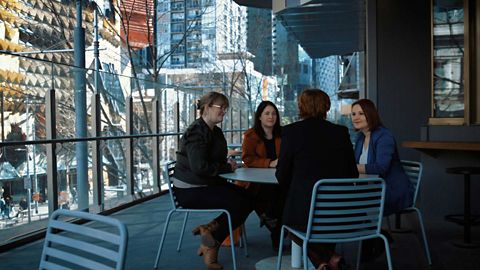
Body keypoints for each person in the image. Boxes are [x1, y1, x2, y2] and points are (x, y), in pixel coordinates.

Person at [276, 89, 359, 270]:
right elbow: (352, 174)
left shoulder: (291, 131)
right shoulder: (340, 132)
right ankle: (328, 259)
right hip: (339, 211)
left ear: (301, 107)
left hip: (306, 212)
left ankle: (327, 259)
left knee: (287, 221)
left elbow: (281, 175)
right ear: (327, 107)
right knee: (320, 223)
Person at [172, 91, 254, 270]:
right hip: (190, 190)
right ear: (207, 107)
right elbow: (200, 167)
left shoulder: (215, 131)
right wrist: (227, 167)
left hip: (206, 184)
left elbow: (213, 160)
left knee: (248, 198)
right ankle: (212, 244)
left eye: (226, 108)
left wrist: (225, 163)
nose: (224, 111)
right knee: (238, 203)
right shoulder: (195, 132)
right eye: (221, 107)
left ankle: (210, 229)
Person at [351, 99, 413, 216]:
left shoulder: (384, 136)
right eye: (353, 114)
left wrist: (350, 167)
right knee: (341, 195)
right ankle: (361, 228)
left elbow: (381, 167)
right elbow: (355, 163)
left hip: (390, 189)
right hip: (370, 187)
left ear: (370, 114)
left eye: (361, 113)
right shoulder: (360, 137)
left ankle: (364, 230)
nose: (356, 117)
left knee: (348, 199)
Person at [241, 100, 284, 250]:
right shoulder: (250, 136)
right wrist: (269, 163)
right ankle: (275, 228)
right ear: (259, 117)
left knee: (284, 194)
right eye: (267, 113)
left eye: (273, 113)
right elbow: (247, 159)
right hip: (256, 182)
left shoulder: (283, 134)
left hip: (279, 180)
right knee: (274, 194)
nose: (271, 116)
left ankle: (273, 223)